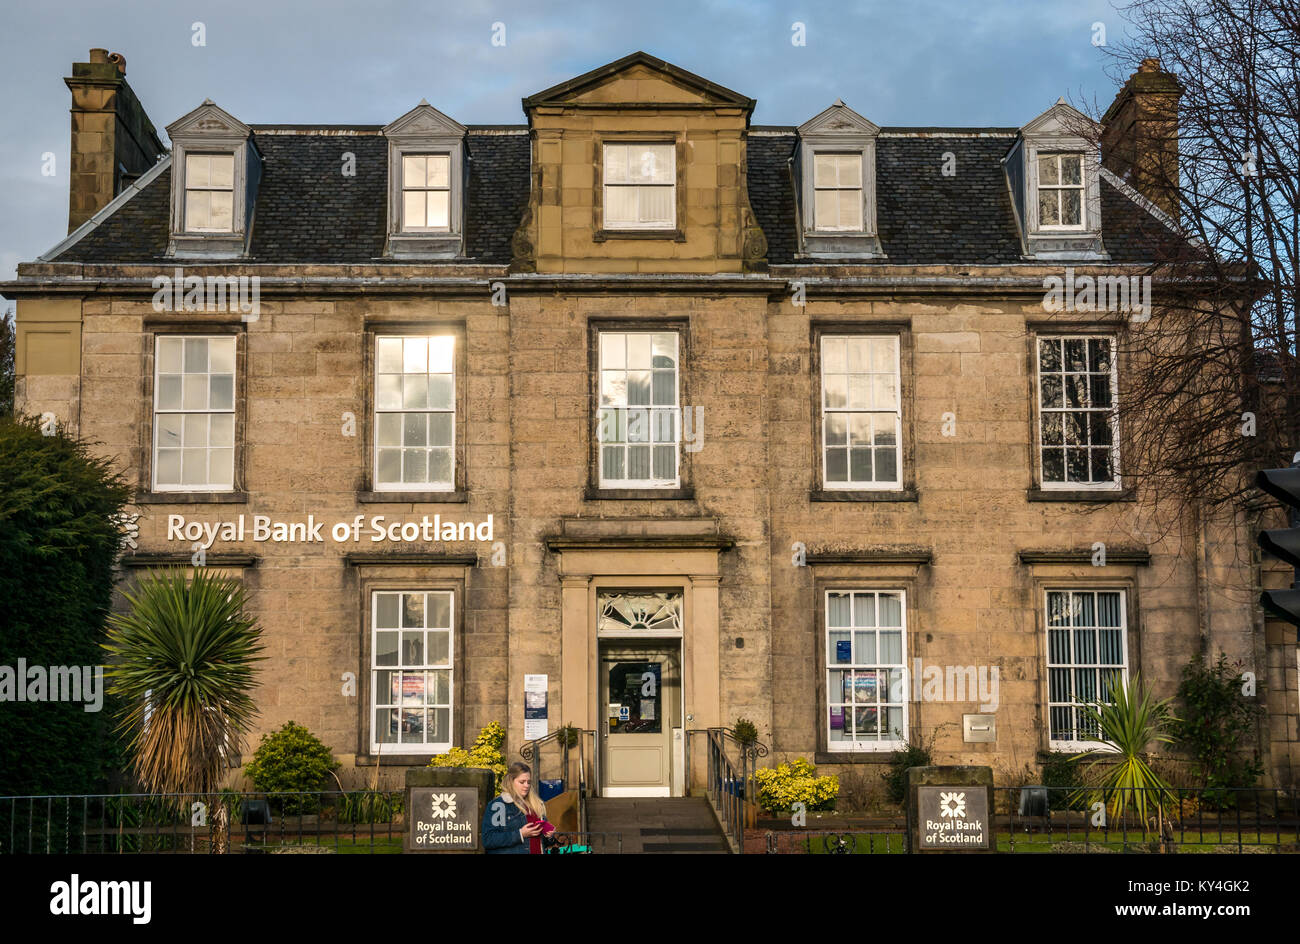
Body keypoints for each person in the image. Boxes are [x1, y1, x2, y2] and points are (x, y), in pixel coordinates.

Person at [482, 761, 556, 854]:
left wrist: (549, 836)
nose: (526, 785)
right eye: (522, 782)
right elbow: (489, 839)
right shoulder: (500, 805)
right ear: (511, 782)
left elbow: (541, 842)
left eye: (529, 782)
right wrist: (520, 834)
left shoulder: (536, 804)